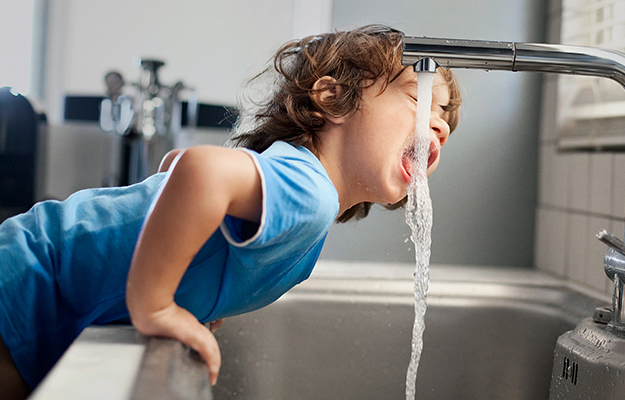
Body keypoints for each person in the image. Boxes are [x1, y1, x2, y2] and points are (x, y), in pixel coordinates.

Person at [0, 24, 462, 398]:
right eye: (419, 99)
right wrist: (158, 304)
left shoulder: (295, 182)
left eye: (446, 121)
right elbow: (199, 170)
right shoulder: (310, 191)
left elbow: (173, 167)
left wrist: (192, 290)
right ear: (331, 98)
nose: (437, 124)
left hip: (37, 283)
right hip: (28, 283)